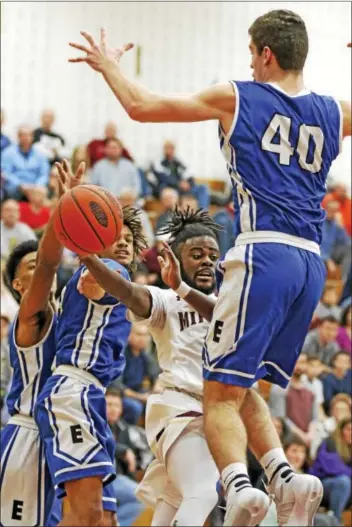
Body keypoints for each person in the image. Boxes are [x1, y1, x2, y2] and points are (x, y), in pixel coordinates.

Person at [69, 15, 352, 526]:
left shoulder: (239, 96)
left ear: (266, 54)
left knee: (219, 390)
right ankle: (286, 478)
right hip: (311, 262)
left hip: (263, 249)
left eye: (251, 51)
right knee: (244, 385)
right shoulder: (335, 111)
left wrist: (109, 66)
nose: (248, 60)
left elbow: (142, 107)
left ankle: (240, 487)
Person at [76, 208, 221, 526]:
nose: (207, 260)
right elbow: (127, 291)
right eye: (196, 254)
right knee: (204, 492)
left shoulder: (228, 304)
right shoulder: (166, 301)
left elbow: (225, 317)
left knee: (172, 503)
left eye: (212, 254)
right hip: (180, 406)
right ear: (177, 262)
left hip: (218, 414)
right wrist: (90, 258)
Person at [34, 201, 148, 527]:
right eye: (117, 236)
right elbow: (94, 285)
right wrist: (91, 261)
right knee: (87, 515)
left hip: (91, 397)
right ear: (97, 240)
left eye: (129, 238)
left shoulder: (118, 278)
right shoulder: (110, 272)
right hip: (74, 391)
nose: (124, 242)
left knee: (106, 519)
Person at [0, 160, 85, 526]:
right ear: (18, 286)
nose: (40, 271)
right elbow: (51, 263)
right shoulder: (27, 318)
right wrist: (64, 209)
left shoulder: (63, 309)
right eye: (29, 268)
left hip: (55, 436)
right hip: (27, 435)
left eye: (40, 263)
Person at [105, 388, 146, 527]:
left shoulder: (123, 429)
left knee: (145, 497)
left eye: (116, 405)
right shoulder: (95, 426)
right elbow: (101, 444)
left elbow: (131, 466)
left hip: (119, 478)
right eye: (109, 404)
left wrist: (137, 485)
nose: (113, 409)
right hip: (103, 479)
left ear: (121, 409)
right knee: (140, 499)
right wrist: (122, 450)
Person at [114, 323, 159, 425]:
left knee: (159, 403)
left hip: (139, 393)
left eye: (146, 335)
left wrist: (156, 387)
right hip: (118, 396)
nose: (143, 338)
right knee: (135, 407)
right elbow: (118, 387)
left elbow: (157, 375)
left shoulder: (145, 356)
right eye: (139, 334)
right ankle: (128, 436)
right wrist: (141, 397)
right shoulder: (121, 355)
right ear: (129, 335)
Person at [310, 418, 352, 523]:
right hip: (319, 486)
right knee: (343, 481)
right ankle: (335, 521)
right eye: (348, 429)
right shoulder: (330, 443)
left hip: (340, 488)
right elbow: (333, 468)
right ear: (341, 430)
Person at [148, 140, 210, 209]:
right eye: (167, 148)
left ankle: (203, 214)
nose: (169, 150)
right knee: (169, 193)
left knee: (203, 188)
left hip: (183, 189)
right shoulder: (158, 162)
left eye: (171, 148)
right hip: (170, 189)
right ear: (164, 149)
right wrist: (179, 183)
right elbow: (163, 178)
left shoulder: (178, 162)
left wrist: (188, 183)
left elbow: (189, 174)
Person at [1, 125, 50, 201]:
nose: (25, 138)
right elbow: (5, 173)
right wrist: (20, 185)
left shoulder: (40, 154)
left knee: (43, 192)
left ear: (32, 137)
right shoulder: (7, 153)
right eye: (22, 135)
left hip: (36, 188)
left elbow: (44, 174)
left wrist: (36, 186)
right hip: (15, 189)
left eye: (28, 135)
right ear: (18, 137)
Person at [320, 200, 351, 284]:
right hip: (320, 255)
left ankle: (343, 280)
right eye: (330, 210)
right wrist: (328, 260)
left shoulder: (335, 223)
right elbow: (317, 244)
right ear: (325, 209)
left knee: (350, 248)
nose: (332, 213)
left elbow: (347, 243)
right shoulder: (319, 222)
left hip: (331, 253)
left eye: (335, 210)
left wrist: (341, 226)